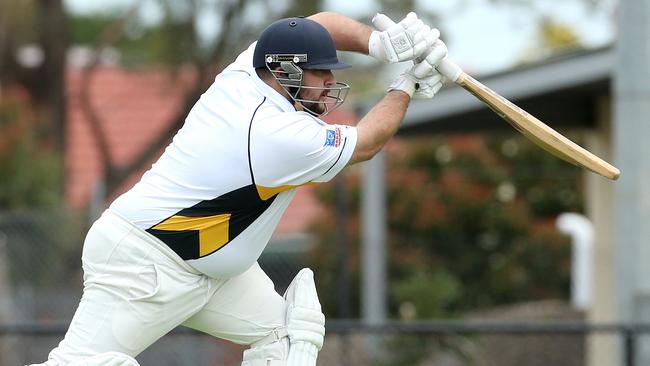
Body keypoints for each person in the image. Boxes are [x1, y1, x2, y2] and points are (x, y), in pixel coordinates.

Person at [30, 11, 448, 366]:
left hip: (215, 274)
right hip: (146, 262)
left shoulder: (249, 70)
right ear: (285, 69)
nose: (328, 81)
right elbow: (368, 142)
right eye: (320, 73)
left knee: (288, 339)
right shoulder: (278, 135)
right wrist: (407, 81)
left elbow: (313, 25)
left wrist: (381, 43)